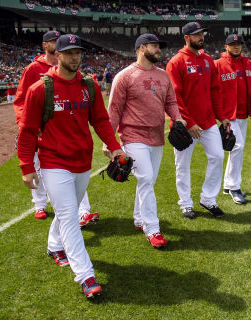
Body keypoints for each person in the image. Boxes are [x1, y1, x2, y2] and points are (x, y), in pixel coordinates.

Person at [17, 34, 126, 298]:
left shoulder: (88, 85)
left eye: (78, 53)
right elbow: (28, 131)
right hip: (53, 162)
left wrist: (115, 148)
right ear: (58, 55)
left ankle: (54, 245)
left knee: (69, 210)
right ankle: (86, 276)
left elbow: (100, 120)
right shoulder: (41, 88)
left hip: (82, 161)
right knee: (69, 217)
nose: (75, 58)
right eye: (69, 53)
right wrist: (25, 166)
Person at [106, 34, 186, 248]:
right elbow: (114, 109)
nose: (159, 49)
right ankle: (152, 229)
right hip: (132, 136)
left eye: (159, 46)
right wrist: (109, 142)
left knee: (147, 181)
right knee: (147, 179)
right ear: (142, 48)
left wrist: (177, 119)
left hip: (157, 136)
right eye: (155, 46)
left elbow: (171, 102)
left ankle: (139, 218)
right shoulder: (125, 76)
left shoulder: (163, 75)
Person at [13, 30, 99, 226]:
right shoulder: (33, 69)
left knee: (72, 173)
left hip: (64, 131)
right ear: (45, 45)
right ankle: (40, 204)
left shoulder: (73, 72)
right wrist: (26, 122)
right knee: (37, 167)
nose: (54, 43)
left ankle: (83, 211)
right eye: (52, 41)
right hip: (39, 127)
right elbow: (20, 101)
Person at [166, 22, 230, 219]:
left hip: (208, 121)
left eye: (201, 34)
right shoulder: (175, 62)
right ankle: (185, 203)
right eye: (196, 35)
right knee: (182, 165)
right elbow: (175, 98)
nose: (200, 37)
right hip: (185, 126)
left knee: (218, 156)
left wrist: (223, 117)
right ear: (186, 37)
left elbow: (215, 91)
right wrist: (189, 122)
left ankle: (208, 199)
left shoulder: (208, 61)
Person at [214, 34, 251, 205]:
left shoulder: (248, 64)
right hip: (228, 115)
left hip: (243, 113)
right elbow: (213, 90)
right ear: (226, 47)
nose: (236, 47)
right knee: (237, 146)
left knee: (235, 148)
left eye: (238, 44)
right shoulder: (218, 64)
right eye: (232, 45)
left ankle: (226, 184)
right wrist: (219, 115)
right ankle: (234, 187)